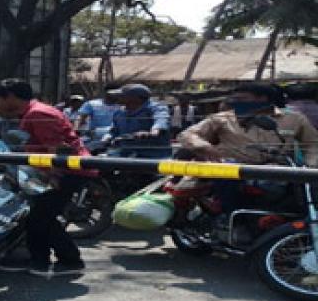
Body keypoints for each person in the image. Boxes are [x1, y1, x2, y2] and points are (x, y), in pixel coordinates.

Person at [0, 79, 91, 278]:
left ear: (11, 97)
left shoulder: (38, 113)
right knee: (36, 217)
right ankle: (37, 259)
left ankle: (69, 260)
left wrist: (53, 176)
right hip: (51, 172)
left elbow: (57, 150)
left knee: (42, 218)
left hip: (67, 173)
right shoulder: (30, 113)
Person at [178, 84, 318, 212]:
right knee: (228, 172)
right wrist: (204, 146)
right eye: (235, 100)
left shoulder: (294, 119)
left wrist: (310, 165)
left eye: (242, 99)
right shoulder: (222, 119)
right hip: (236, 171)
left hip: (277, 172)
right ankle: (229, 217)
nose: (236, 103)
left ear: (263, 99)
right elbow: (187, 134)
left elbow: (313, 143)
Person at [105, 84, 172, 159]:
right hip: (125, 155)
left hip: (153, 157)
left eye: (122, 95)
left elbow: (161, 119)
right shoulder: (119, 113)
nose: (118, 97)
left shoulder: (156, 108)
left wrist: (154, 131)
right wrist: (108, 137)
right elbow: (113, 130)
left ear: (136, 98)